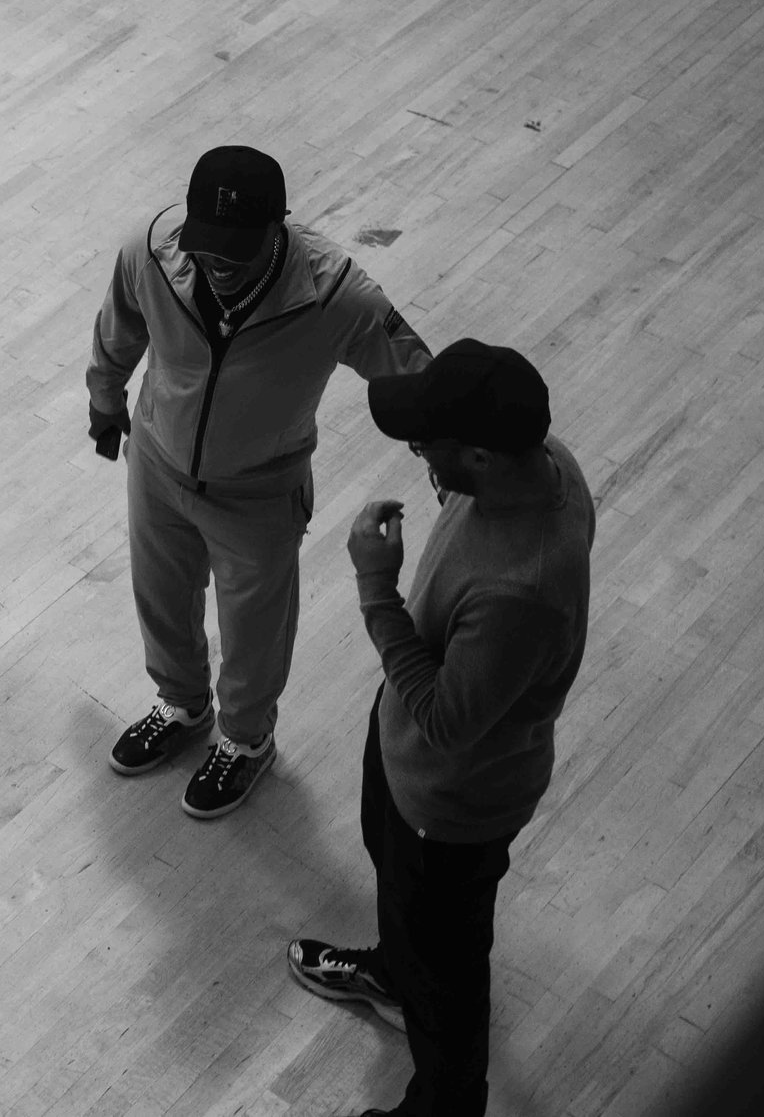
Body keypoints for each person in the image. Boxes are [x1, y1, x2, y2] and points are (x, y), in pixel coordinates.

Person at [290, 340, 593, 1117]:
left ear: (486, 457)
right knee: (406, 913)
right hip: (407, 761)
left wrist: (373, 586)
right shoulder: (542, 461)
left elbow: (446, 721)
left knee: (450, 992)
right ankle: (397, 972)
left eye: (430, 446)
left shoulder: (522, 591)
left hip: (450, 804)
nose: (420, 455)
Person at [87, 145, 429, 817]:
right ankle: (182, 704)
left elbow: (420, 379)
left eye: (237, 250)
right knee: (159, 596)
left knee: (254, 632)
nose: (217, 263)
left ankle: (245, 742)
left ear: (281, 227)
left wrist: (459, 460)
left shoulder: (336, 293)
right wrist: (104, 403)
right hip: (157, 465)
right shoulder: (152, 253)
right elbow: (118, 329)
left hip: (259, 493)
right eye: (207, 246)